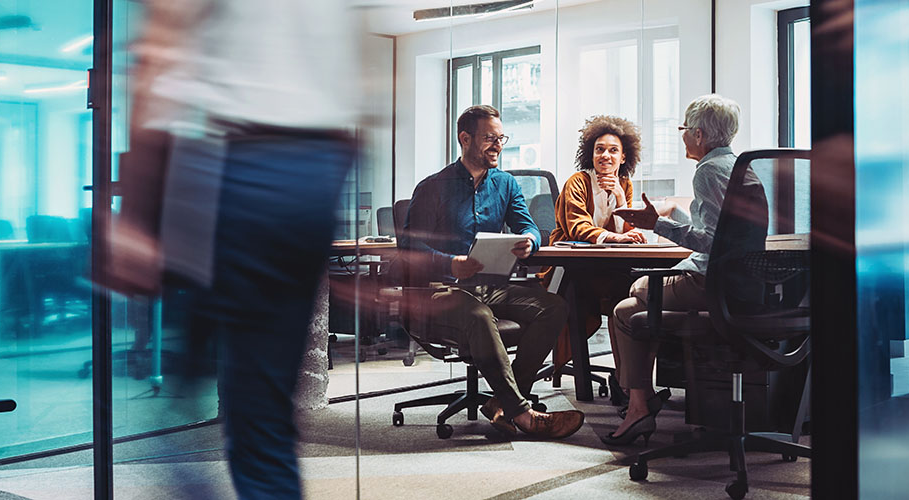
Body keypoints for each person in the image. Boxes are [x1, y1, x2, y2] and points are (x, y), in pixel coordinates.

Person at [125, 1, 362, 498]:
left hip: (240, 163)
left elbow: (163, 35)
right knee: (262, 415)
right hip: (318, 169)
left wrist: (137, 205)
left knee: (193, 399)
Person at [400, 105, 585, 439]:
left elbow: (528, 227)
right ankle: (524, 415)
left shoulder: (506, 184)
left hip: (490, 286)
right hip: (439, 291)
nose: (498, 145)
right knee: (479, 315)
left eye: (501, 138)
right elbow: (409, 250)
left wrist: (529, 241)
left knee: (554, 307)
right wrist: (450, 262)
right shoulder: (433, 187)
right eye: (489, 138)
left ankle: (502, 402)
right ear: (465, 139)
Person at [605, 94, 766, 445]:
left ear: (698, 134)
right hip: (741, 286)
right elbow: (723, 231)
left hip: (711, 284)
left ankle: (639, 406)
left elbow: (710, 242)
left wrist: (656, 226)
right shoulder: (739, 166)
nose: (681, 136)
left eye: (682, 129)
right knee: (627, 312)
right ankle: (637, 406)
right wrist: (667, 216)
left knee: (637, 292)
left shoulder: (707, 170)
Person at [542, 115, 645, 405]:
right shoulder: (577, 182)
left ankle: (626, 380)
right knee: (616, 294)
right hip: (569, 270)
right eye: (600, 149)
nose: (605, 155)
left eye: (613, 150)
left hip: (603, 268)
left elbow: (627, 228)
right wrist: (615, 238)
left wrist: (621, 202)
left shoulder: (624, 184)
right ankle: (622, 383)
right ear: (591, 153)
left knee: (627, 297)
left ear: (624, 156)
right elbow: (577, 227)